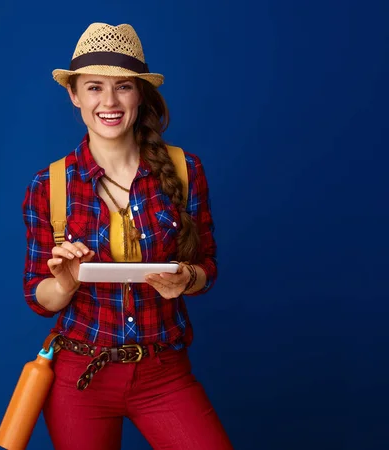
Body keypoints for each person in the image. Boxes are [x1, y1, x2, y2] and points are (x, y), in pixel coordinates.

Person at [22, 22, 233, 450]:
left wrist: (186, 279)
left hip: (164, 372)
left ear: (140, 93)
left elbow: (207, 266)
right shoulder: (49, 185)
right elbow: (36, 296)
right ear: (74, 95)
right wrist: (64, 285)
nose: (110, 102)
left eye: (123, 87)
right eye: (95, 87)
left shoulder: (186, 170)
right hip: (80, 378)